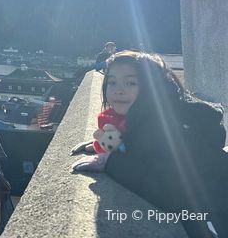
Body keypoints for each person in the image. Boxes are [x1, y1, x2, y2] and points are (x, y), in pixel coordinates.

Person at [72, 50, 228, 237]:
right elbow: (142, 150)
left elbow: (169, 191)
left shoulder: (162, 127)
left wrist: (110, 162)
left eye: (130, 82)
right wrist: (109, 144)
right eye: (112, 82)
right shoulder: (154, 113)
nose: (118, 90)